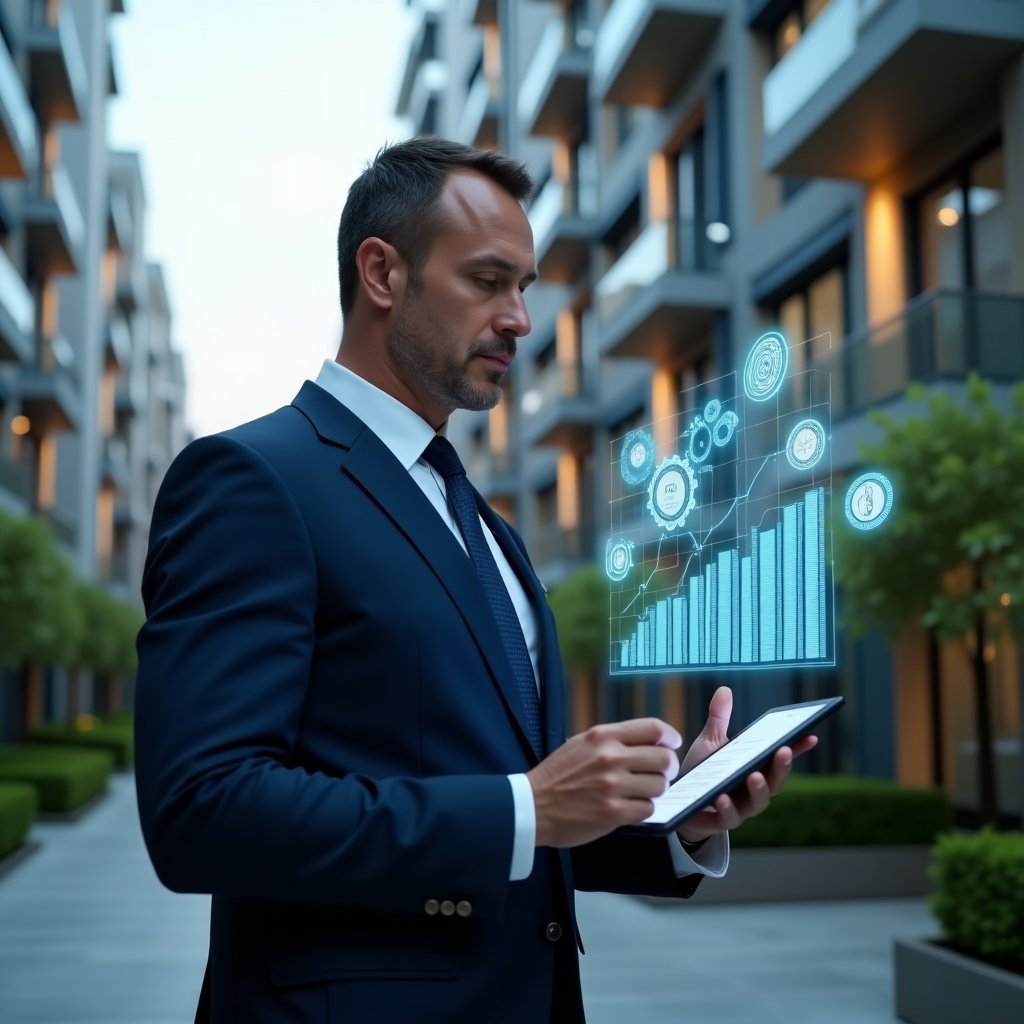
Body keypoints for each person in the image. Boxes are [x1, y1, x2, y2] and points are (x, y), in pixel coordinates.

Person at [134, 136, 816, 1024]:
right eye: (488, 281)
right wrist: (524, 805)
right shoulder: (252, 480)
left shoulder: (480, 520)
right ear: (381, 273)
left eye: (526, 287)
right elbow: (201, 811)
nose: (520, 319)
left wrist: (673, 821)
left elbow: (523, 822)